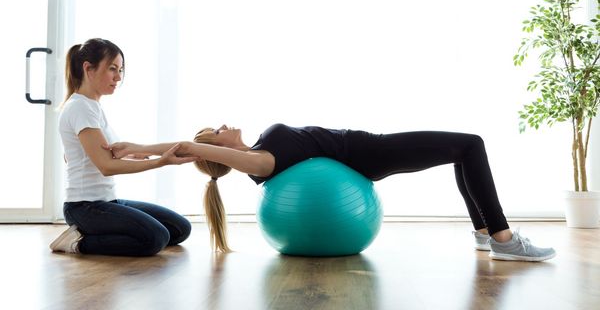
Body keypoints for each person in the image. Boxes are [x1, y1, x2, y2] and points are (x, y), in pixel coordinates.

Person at [106, 123, 556, 261]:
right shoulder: (262, 164)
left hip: (366, 150)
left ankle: (485, 234)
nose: (224, 125)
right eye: (216, 132)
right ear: (217, 150)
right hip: (369, 155)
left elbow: (196, 146)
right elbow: (188, 147)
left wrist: (152, 149)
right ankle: (502, 238)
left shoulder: (260, 152)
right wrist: (143, 149)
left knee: (461, 151)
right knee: (470, 145)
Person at [49, 38, 196, 256]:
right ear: (88, 68)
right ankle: (78, 243)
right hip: (84, 207)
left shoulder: (92, 106)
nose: (118, 77)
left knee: (180, 229)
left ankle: (102, 235)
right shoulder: (80, 108)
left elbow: (82, 155)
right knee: (156, 238)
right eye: (112, 69)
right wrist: (161, 162)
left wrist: (138, 152)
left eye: (120, 70)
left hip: (107, 201)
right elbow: (106, 166)